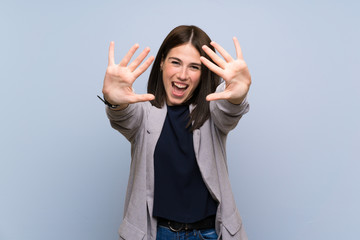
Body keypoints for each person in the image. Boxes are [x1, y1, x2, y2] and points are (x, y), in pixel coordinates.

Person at [100, 25, 251, 240]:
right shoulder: (144, 114)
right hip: (159, 234)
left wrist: (237, 95)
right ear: (162, 62)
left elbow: (230, 109)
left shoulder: (213, 111)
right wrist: (114, 102)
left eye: (194, 67)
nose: (182, 75)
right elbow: (123, 117)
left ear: (204, 73)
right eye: (175, 62)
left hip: (209, 234)